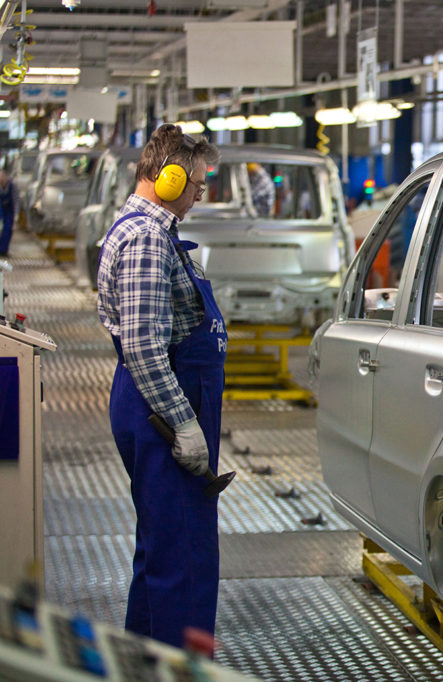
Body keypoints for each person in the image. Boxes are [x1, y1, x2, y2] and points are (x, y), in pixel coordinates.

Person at [96, 124, 224, 648]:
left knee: (161, 550)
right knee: (184, 559)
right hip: (162, 414)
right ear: (168, 180)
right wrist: (184, 423)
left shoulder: (149, 231)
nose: (199, 195)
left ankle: (143, 660)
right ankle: (179, 668)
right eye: (195, 185)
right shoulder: (148, 239)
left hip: (154, 407)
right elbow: (145, 348)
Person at [0, 169, 18, 256]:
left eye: (2, 180)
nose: (2, 182)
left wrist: (16, 215)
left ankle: (3, 250)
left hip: (9, 209)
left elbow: (16, 201)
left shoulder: (12, 186)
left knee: (8, 228)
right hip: (1, 208)